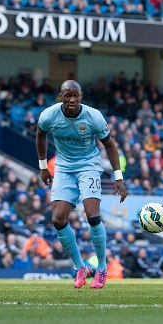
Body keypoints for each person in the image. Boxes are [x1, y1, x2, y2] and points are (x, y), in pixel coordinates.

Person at [36, 80, 127, 289]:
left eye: (75, 95)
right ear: (61, 96)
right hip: (64, 167)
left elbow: (110, 146)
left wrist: (118, 177)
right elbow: (40, 135)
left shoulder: (93, 116)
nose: (72, 99)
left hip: (89, 166)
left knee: (92, 214)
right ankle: (80, 267)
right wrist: (43, 167)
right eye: (67, 95)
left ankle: (102, 269)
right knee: (58, 219)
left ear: (81, 96)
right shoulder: (49, 115)